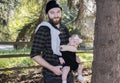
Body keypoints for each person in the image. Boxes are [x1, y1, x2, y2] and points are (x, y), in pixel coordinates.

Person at [30, 0, 74, 83]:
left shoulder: (64, 29)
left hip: (68, 75)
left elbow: (68, 48)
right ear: (48, 14)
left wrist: (74, 58)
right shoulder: (43, 29)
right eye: (52, 12)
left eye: (58, 12)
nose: (56, 15)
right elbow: (34, 54)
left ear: (61, 12)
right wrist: (53, 69)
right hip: (52, 77)